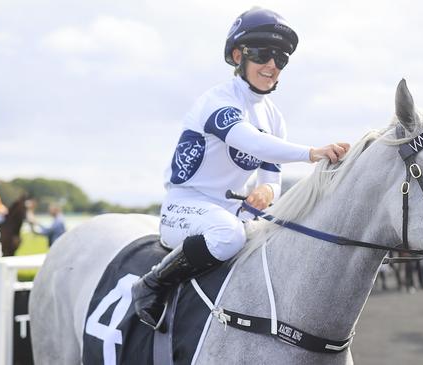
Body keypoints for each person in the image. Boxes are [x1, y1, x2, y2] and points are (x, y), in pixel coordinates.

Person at [131, 7, 350, 329]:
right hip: (187, 206)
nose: (272, 65)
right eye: (263, 54)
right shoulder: (217, 101)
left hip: (233, 211)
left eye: (281, 58)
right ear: (238, 56)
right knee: (228, 237)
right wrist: (312, 153)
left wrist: (266, 190)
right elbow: (249, 141)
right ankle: (152, 284)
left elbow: (271, 176)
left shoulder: (274, 116)